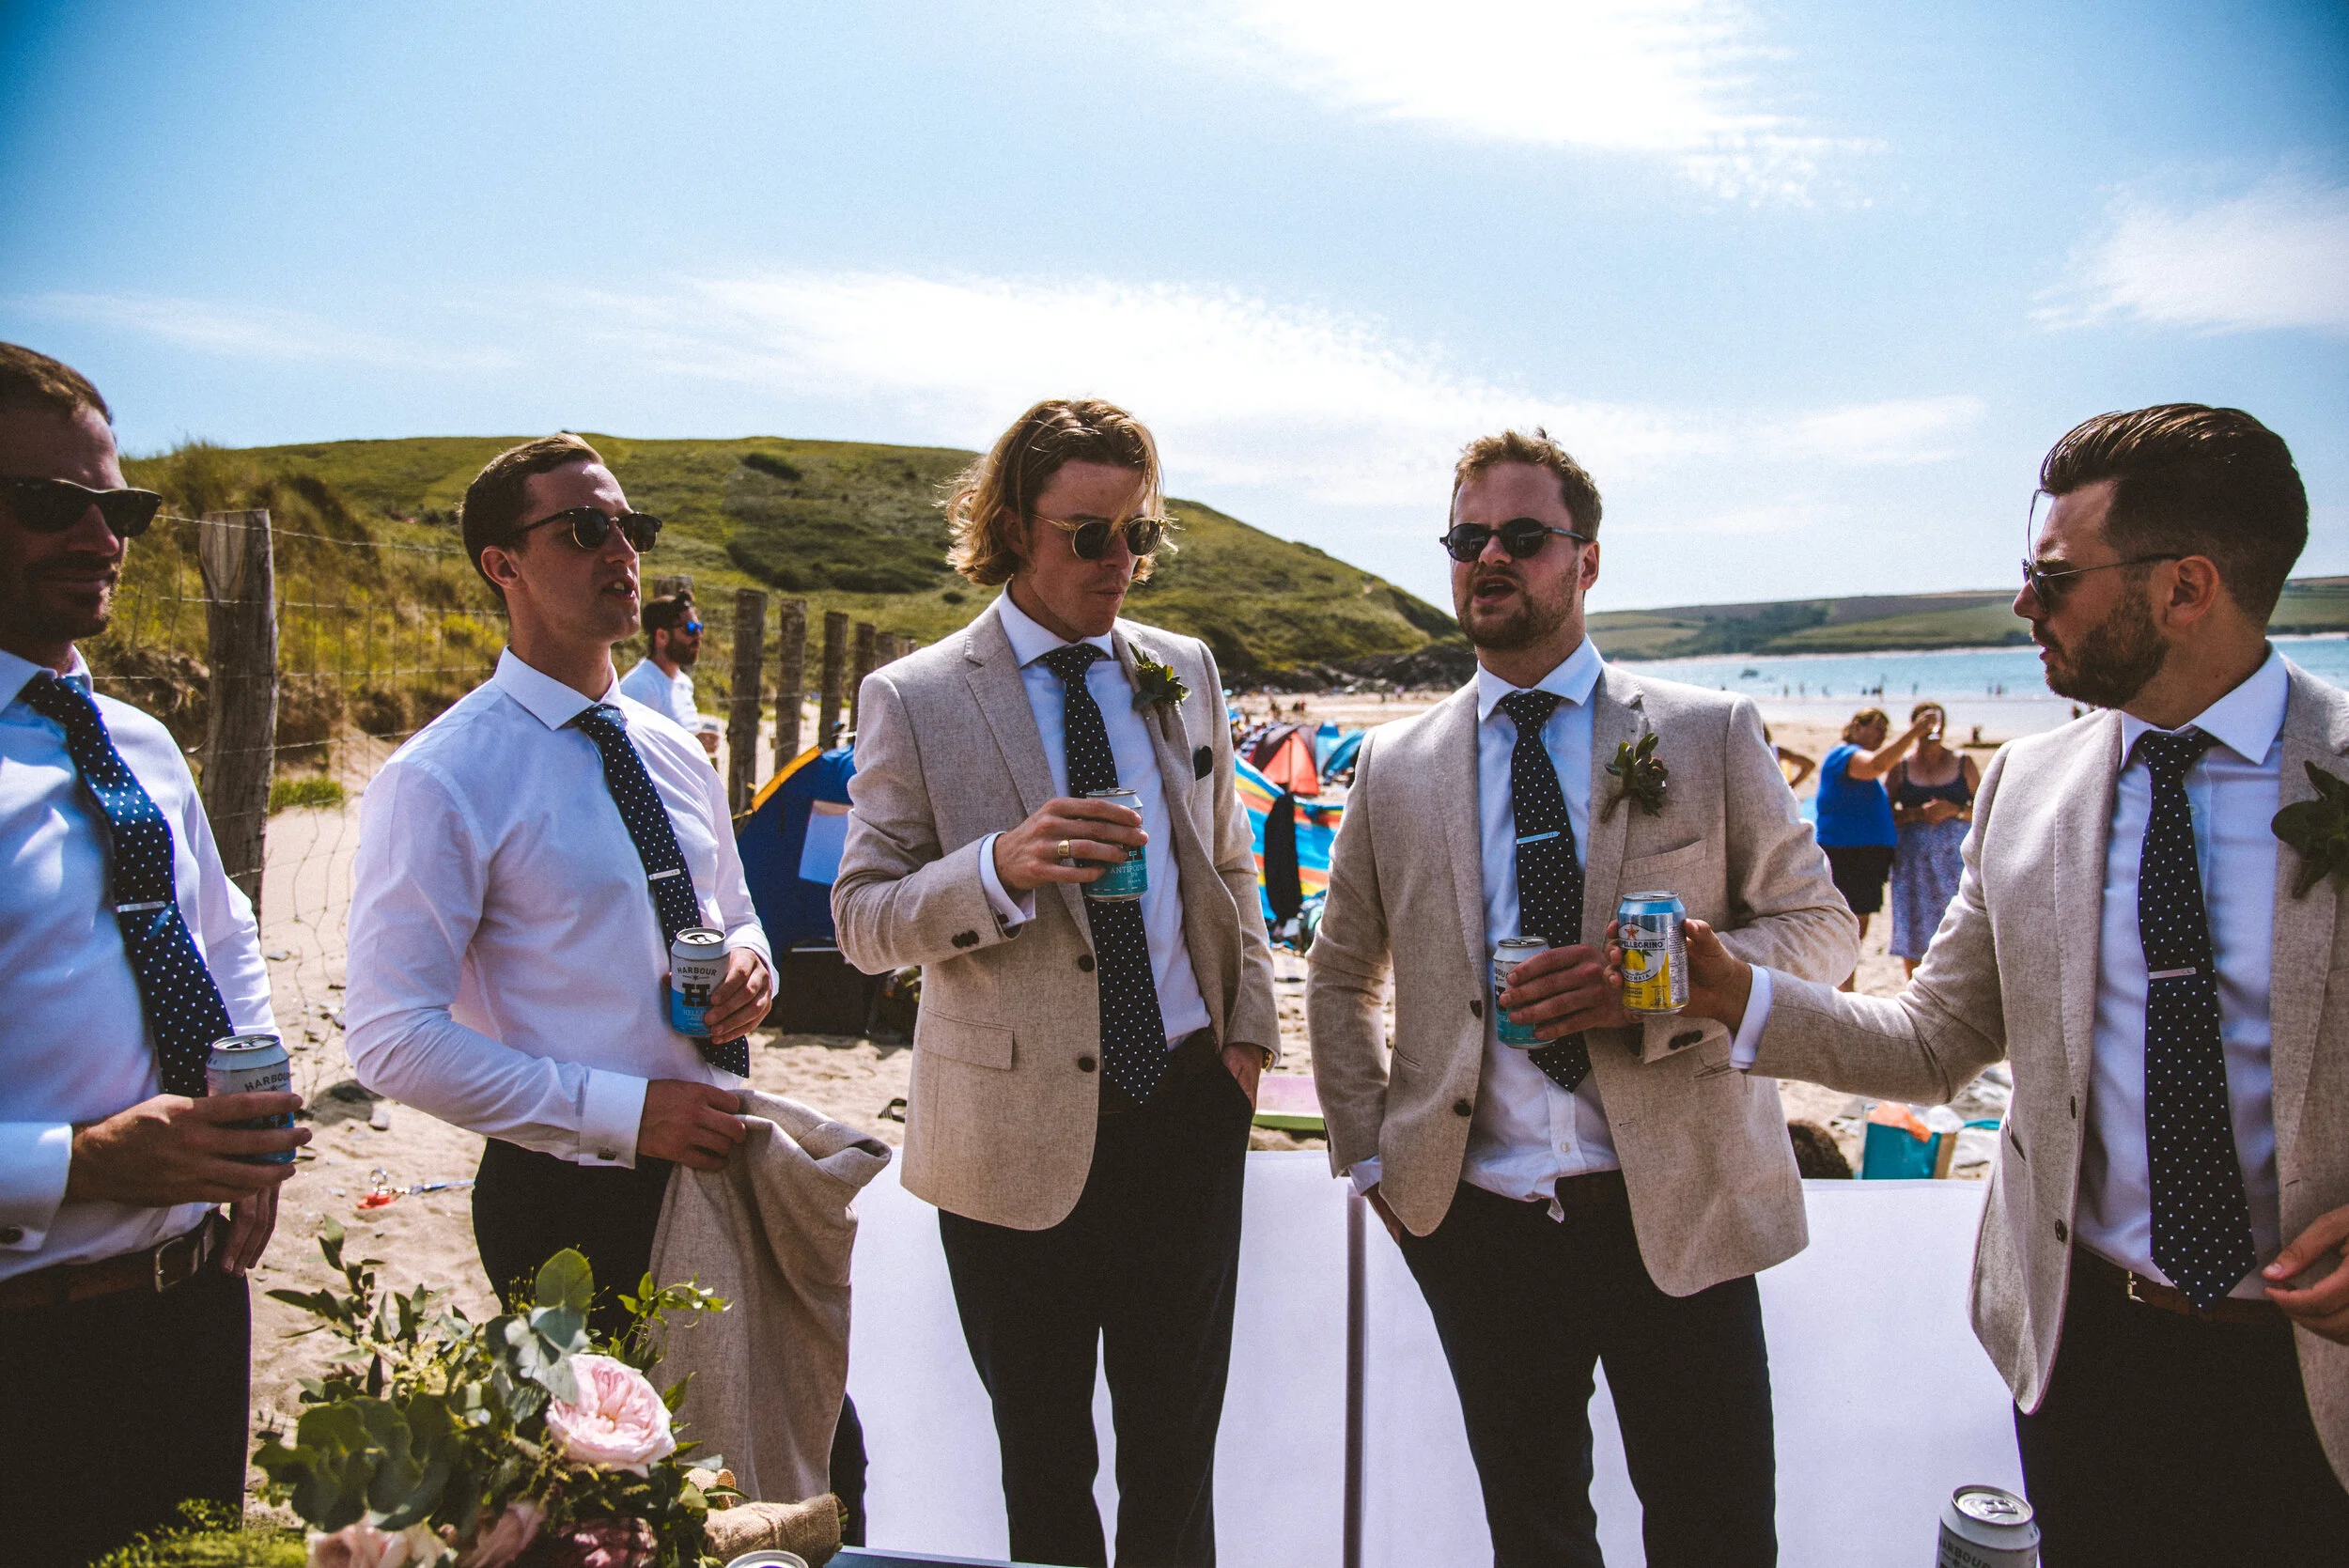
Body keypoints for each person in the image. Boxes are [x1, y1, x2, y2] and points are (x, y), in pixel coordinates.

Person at [1672, 405, 2349, 1562]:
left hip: (2317, 1377)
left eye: (2052, 575)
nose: (2023, 604)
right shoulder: (2026, 786)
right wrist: (1742, 996)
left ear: (2186, 587)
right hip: (2083, 1352)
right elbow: (1938, 1039)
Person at [1307, 429, 1857, 1568]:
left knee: (1716, 1534)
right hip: (1479, 1222)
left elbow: (1823, 932)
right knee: (1535, 1534)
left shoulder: (1705, 732)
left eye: (1520, 535)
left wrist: (1661, 989)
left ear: (1587, 560)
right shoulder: (1395, 765)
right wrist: (1375, 1160)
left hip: (1684, 1205)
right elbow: (1340, 967)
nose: (1487, 558)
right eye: (1466, 540)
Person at [832, 397, 1280, 1568]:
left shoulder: (1183, 668)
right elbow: (862, 921)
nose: (1121, 563)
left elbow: (1230, 860)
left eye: (1140, 534)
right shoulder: (916, 696)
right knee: (1043, 1457)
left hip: (1186, 1107)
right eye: (1090, 535)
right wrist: (996, 865)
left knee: (1178, 1456)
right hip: (1008, 1135)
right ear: (1013, 527)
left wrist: (1245, 1040)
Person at [346, 434, 774, 1329]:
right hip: (567, 1196)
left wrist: (750, 963)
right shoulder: (443, 776)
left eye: (632, 528)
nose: (622, 552)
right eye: (585, 529)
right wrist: (624, 1114)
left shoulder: (673, 751)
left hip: (724, 1158)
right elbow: (390, 1038)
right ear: (503, 564)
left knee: (791, 1458)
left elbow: (732, 907)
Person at [0, 343, 307, 1567]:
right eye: (46, 504)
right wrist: (73, 1163)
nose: (99, 538)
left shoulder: (137, 742)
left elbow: (223, 943)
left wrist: (254, 1119)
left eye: (116, 507)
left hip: (191, 1312)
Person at [1814, 705, 1934, 986]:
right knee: (1850, 926)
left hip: (1862, 856)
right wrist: (1916, 731)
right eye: (1877, 727)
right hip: (1848, 855)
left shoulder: (1854, 761)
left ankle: (1845, 988)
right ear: (1857, 725)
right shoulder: (1843, 754)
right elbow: (1876, 765)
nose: (1882, 734)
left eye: (1885, 730)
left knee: (1857, 926)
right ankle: (1844, 989)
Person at [1885, 702, 1977, 976]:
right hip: (1914, 864)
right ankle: (1915, 987)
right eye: (1923, 723)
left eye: (1935, 722)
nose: (1930, 728)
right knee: (1914, 927)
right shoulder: (1901, 767)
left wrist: (1954, 810)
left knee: (1959, 924)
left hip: (1955, 862)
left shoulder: (1963, 762)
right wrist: (1915, 814)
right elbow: (1883, 814)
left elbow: (1987, 809)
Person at [619, 591, 720, 758]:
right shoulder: (639, 685)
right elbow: (628, 752)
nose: (698, 636)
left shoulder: (684, 682)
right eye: (690, 629)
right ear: (662, 636)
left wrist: (699, 742)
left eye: (699, 627)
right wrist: (692, 744)